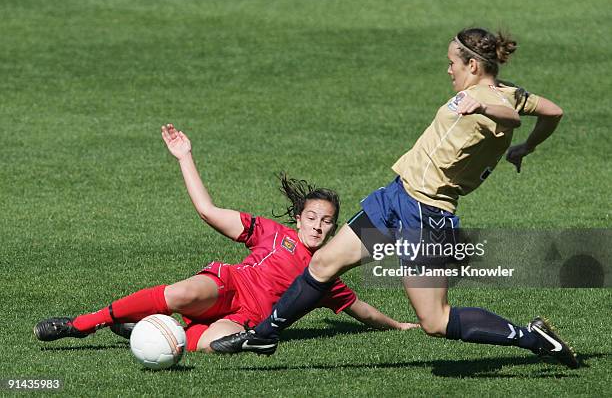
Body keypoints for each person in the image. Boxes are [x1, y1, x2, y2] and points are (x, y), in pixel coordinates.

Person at [210, 28, 578, 369]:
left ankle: (535, 338)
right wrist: (527, 147)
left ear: (472, 64)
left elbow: (509, 118)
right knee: (323, 264)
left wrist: (483, 110)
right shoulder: (511, 91)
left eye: (452, 62)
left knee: (435, 321)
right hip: (395, 198)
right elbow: (553, 111)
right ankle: (263, 335)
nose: (448, 69)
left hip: (425, 216)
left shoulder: (486, 101)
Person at [34, 125, 418, 352]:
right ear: (299, 218)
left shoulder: (325, 276)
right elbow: (207, 210)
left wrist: (399, 326)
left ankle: (143, 327)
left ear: (335, 229)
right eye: (312, 217)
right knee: (182, 295)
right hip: (226, 287)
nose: (318, 226)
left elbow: (360, 310)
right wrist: (185, 157)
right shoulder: (272, 232)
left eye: (327, 222)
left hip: (244, 320)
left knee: (208, 347)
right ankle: (81, 325)